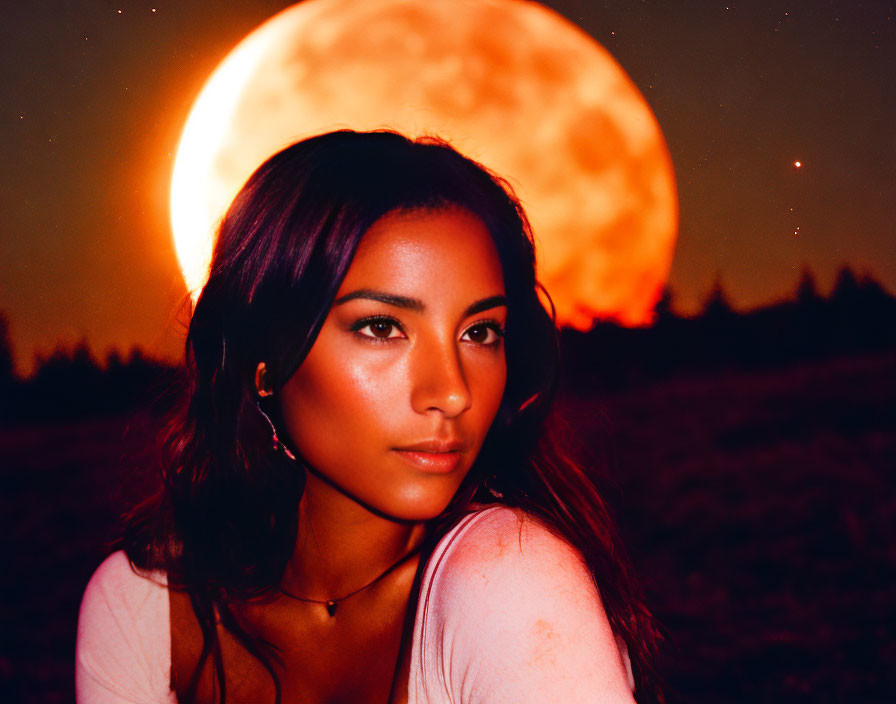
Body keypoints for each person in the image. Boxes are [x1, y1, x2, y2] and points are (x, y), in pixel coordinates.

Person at [75, 130, 662, 703]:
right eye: (382, 327)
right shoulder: (144, 608)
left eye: (479, 332)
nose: (453, 392)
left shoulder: (508, 581)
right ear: (264, 364)